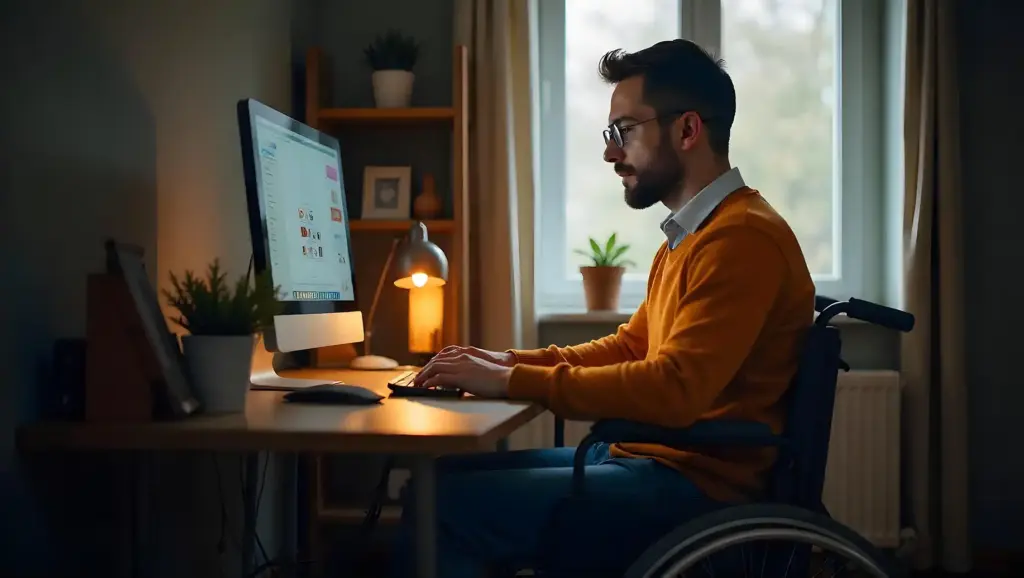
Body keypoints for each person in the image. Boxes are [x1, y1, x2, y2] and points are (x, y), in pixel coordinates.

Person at [392, 39, 815, 578]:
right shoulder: (693, 237)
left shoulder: (742, 239)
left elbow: (675, 388)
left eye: (624, 132)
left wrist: (516, 381)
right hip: (653, 460)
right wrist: (505, 363)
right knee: (439, 480)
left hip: (693, 488)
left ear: (687, 130)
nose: (611, 153)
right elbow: (631, 346)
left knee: (442, 507)